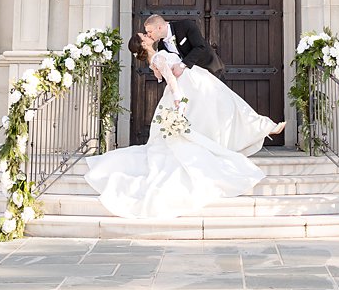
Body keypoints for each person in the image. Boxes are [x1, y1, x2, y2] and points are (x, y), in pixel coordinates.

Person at [82, 26, 286, 219]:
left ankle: (260, 127)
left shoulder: (155, 58)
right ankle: (260, 127)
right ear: (143, 44)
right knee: (224, 108)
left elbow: (160, 75)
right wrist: (179, 99)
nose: (147, 34)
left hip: (192, 85)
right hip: (188, 90)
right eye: (144, 36)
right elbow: (169, 78)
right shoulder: (159, 56)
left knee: (220, 110)